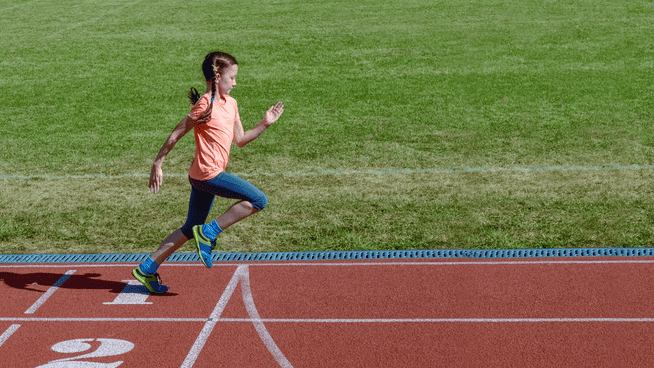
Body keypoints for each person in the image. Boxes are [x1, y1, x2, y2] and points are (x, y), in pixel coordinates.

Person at [132, 51, 284, 294]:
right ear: (217, 77)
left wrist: (265, 124)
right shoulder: (206, 104)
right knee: (259, 200)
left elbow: (241, 140)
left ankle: (148, 268)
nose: (235, 83)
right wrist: (157, 163)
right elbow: (176, 133)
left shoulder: (231, 104)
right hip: (207, 175)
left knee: (191, 225)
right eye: (231, 77)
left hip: (202, 176)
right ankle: (209, 232)